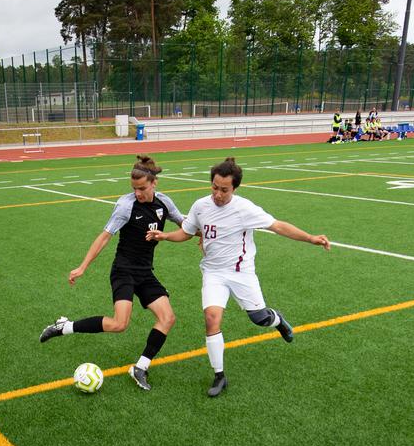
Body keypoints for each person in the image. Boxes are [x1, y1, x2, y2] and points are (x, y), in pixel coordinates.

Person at [146, 157, 330, 397]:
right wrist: (165, 236)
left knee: (259, 318)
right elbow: (186, 232)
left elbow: (278, 226)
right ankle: (220, 376)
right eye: (214, 187)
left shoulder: (245, 209)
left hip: (241, 273)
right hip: (212, 272)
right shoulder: (201, 206)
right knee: (212, 318)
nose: (218, 194)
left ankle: (277, 320)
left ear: (234, 188)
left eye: (224, 190)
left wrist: (311, 238)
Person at [40, 156, 185, 391]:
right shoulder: (126, 206)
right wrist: (83, 266)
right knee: (120, 324)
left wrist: (204, 235)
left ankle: (140, 367)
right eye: (134, 188)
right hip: (124, 270)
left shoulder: (164, 203)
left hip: (145, 272)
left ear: (154, 183)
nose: (137, 193)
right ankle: (65, 327)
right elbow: (105, 236)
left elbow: (185, 224)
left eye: (142, 188)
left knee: (167, 318)